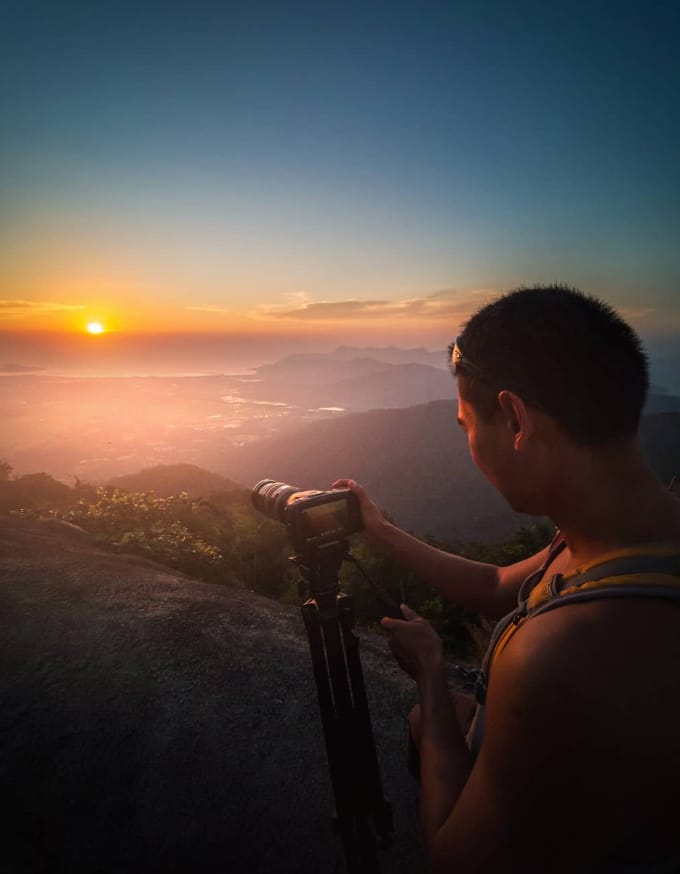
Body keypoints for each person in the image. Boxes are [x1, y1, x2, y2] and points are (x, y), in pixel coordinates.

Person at [333, 285, 680, 873]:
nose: (468, 442)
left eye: (467, 424)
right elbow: (498, 587)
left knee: (434, 721)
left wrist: (432, 678)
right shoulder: (613, 536)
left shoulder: (564, 655)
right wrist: (379, 530)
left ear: (515, 418)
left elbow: (454, 858)